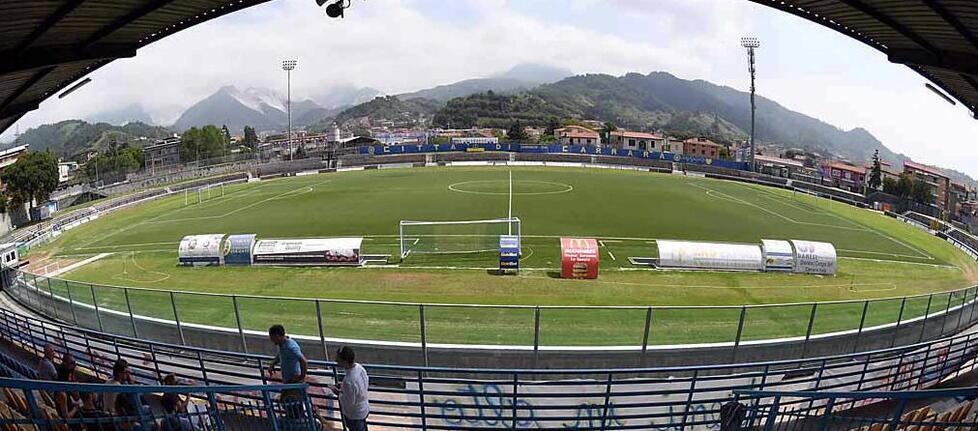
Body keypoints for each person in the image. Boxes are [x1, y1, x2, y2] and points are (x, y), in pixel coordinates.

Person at [266, 325, 308, 418]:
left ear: (277, 336)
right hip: (289, 381)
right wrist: (273, 363)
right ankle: (295, 420)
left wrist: (301, 376)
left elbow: (303, 361)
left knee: (292, 404)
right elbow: (281, 354)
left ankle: (298, 422)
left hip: (294, 381)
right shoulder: (283, 345)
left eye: (272, 338)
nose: (271, 340)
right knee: (288, 403)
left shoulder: (290, 346)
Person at [330, 346, 369, 431]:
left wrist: (338, 393)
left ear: (345, 361)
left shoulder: (349, 380)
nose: (336, 361)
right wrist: (343, 388)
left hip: (354, 415)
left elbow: (349, 402)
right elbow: (363, 385)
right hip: (363, 409)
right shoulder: (360, 368)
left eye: (338, 359)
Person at [54, 354, 81, 422]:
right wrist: (75, 408)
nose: (74, 365)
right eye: (72, 363)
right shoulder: (62, 393)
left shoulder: (65, 389)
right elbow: (66, 418)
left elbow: (76, 397)